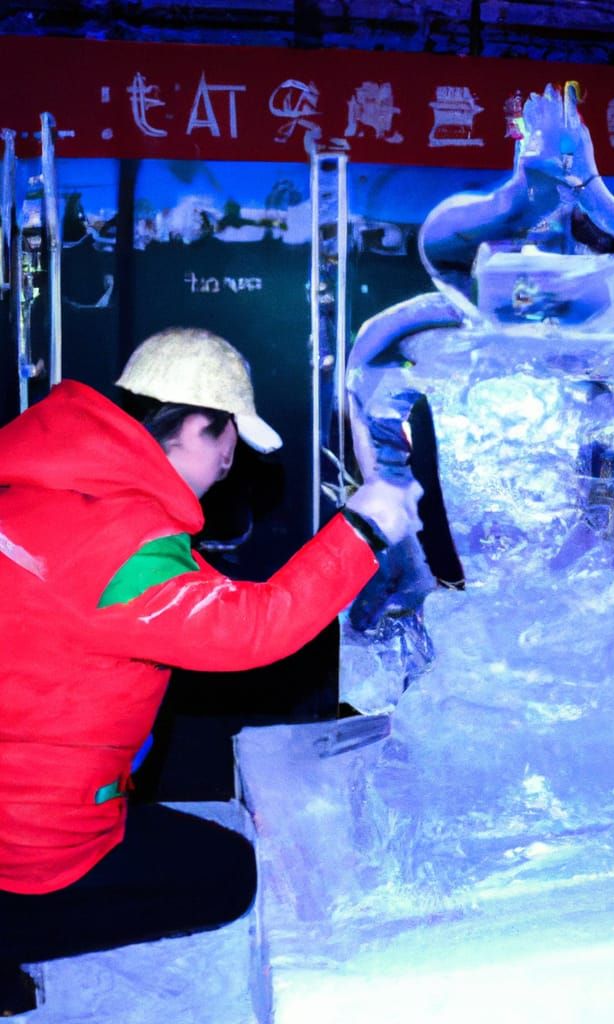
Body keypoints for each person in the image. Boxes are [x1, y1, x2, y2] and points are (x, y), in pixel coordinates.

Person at [0, 327, 422, 1014]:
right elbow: (253, 627)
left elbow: (169, 594)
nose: (230, 460)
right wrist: (365, 528)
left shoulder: (39, 490)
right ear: (195, 425)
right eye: (228, 439)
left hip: (16, 794)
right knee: (230, 877)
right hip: (28, 838)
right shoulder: (118, 545)